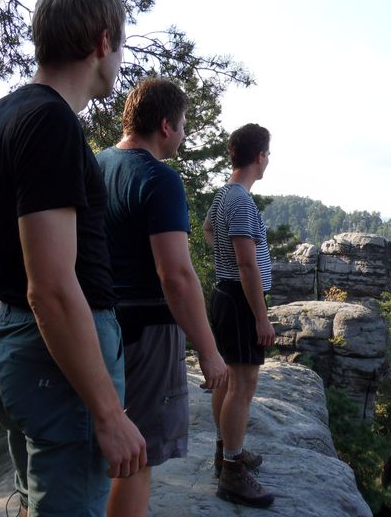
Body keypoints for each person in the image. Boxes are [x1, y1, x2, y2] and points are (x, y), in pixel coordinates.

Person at [0, 0, 145, 517]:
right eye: (121, 45)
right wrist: (108, 413)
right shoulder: (51, 123)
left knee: (34, 503)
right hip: (56, 357)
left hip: (12, 338)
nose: (120, 59)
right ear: (102, 41)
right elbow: (50, 286)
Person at [96, 77, 228, 516]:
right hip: (148, 335)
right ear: (166, 126)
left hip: (93, 327)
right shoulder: (159, 178)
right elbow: (176, 275)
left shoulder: (94, 167)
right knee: (137, 455)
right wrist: (208, 351)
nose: (185, 133)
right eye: (184, 123)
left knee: (99, 447)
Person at [202, 123, 276, 508]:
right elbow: (248, 265)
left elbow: (208, 229)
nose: (269, 160)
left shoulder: (223, 195)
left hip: (224, 295)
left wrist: (223, 256)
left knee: (228, 380)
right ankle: (232, 471)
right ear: (259, 156)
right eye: (269, 153)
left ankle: (225, 451)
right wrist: (261, 317)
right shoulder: (242, 201)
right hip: (240, 300)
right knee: (243, 384)